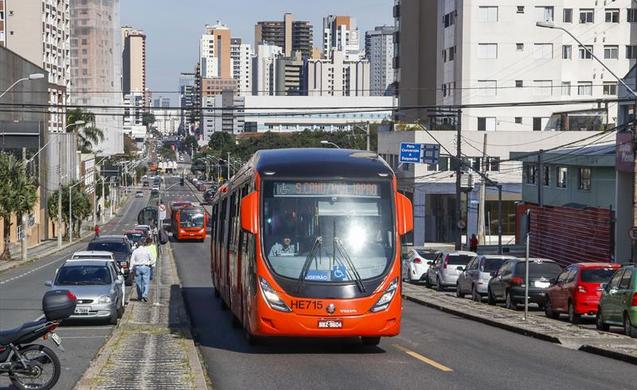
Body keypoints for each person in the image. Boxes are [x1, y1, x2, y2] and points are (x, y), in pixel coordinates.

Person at [130, 237, 153, 302]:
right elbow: (152, 259)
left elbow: (132, 261)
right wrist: (150, 264)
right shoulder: (147, 250)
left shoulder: (135, 251)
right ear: (143, 244)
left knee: (138, 283)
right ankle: (144, 295)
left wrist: (131, 269)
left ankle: (139, 296)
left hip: (137, 268)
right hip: (146, 267)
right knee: (146, 282)